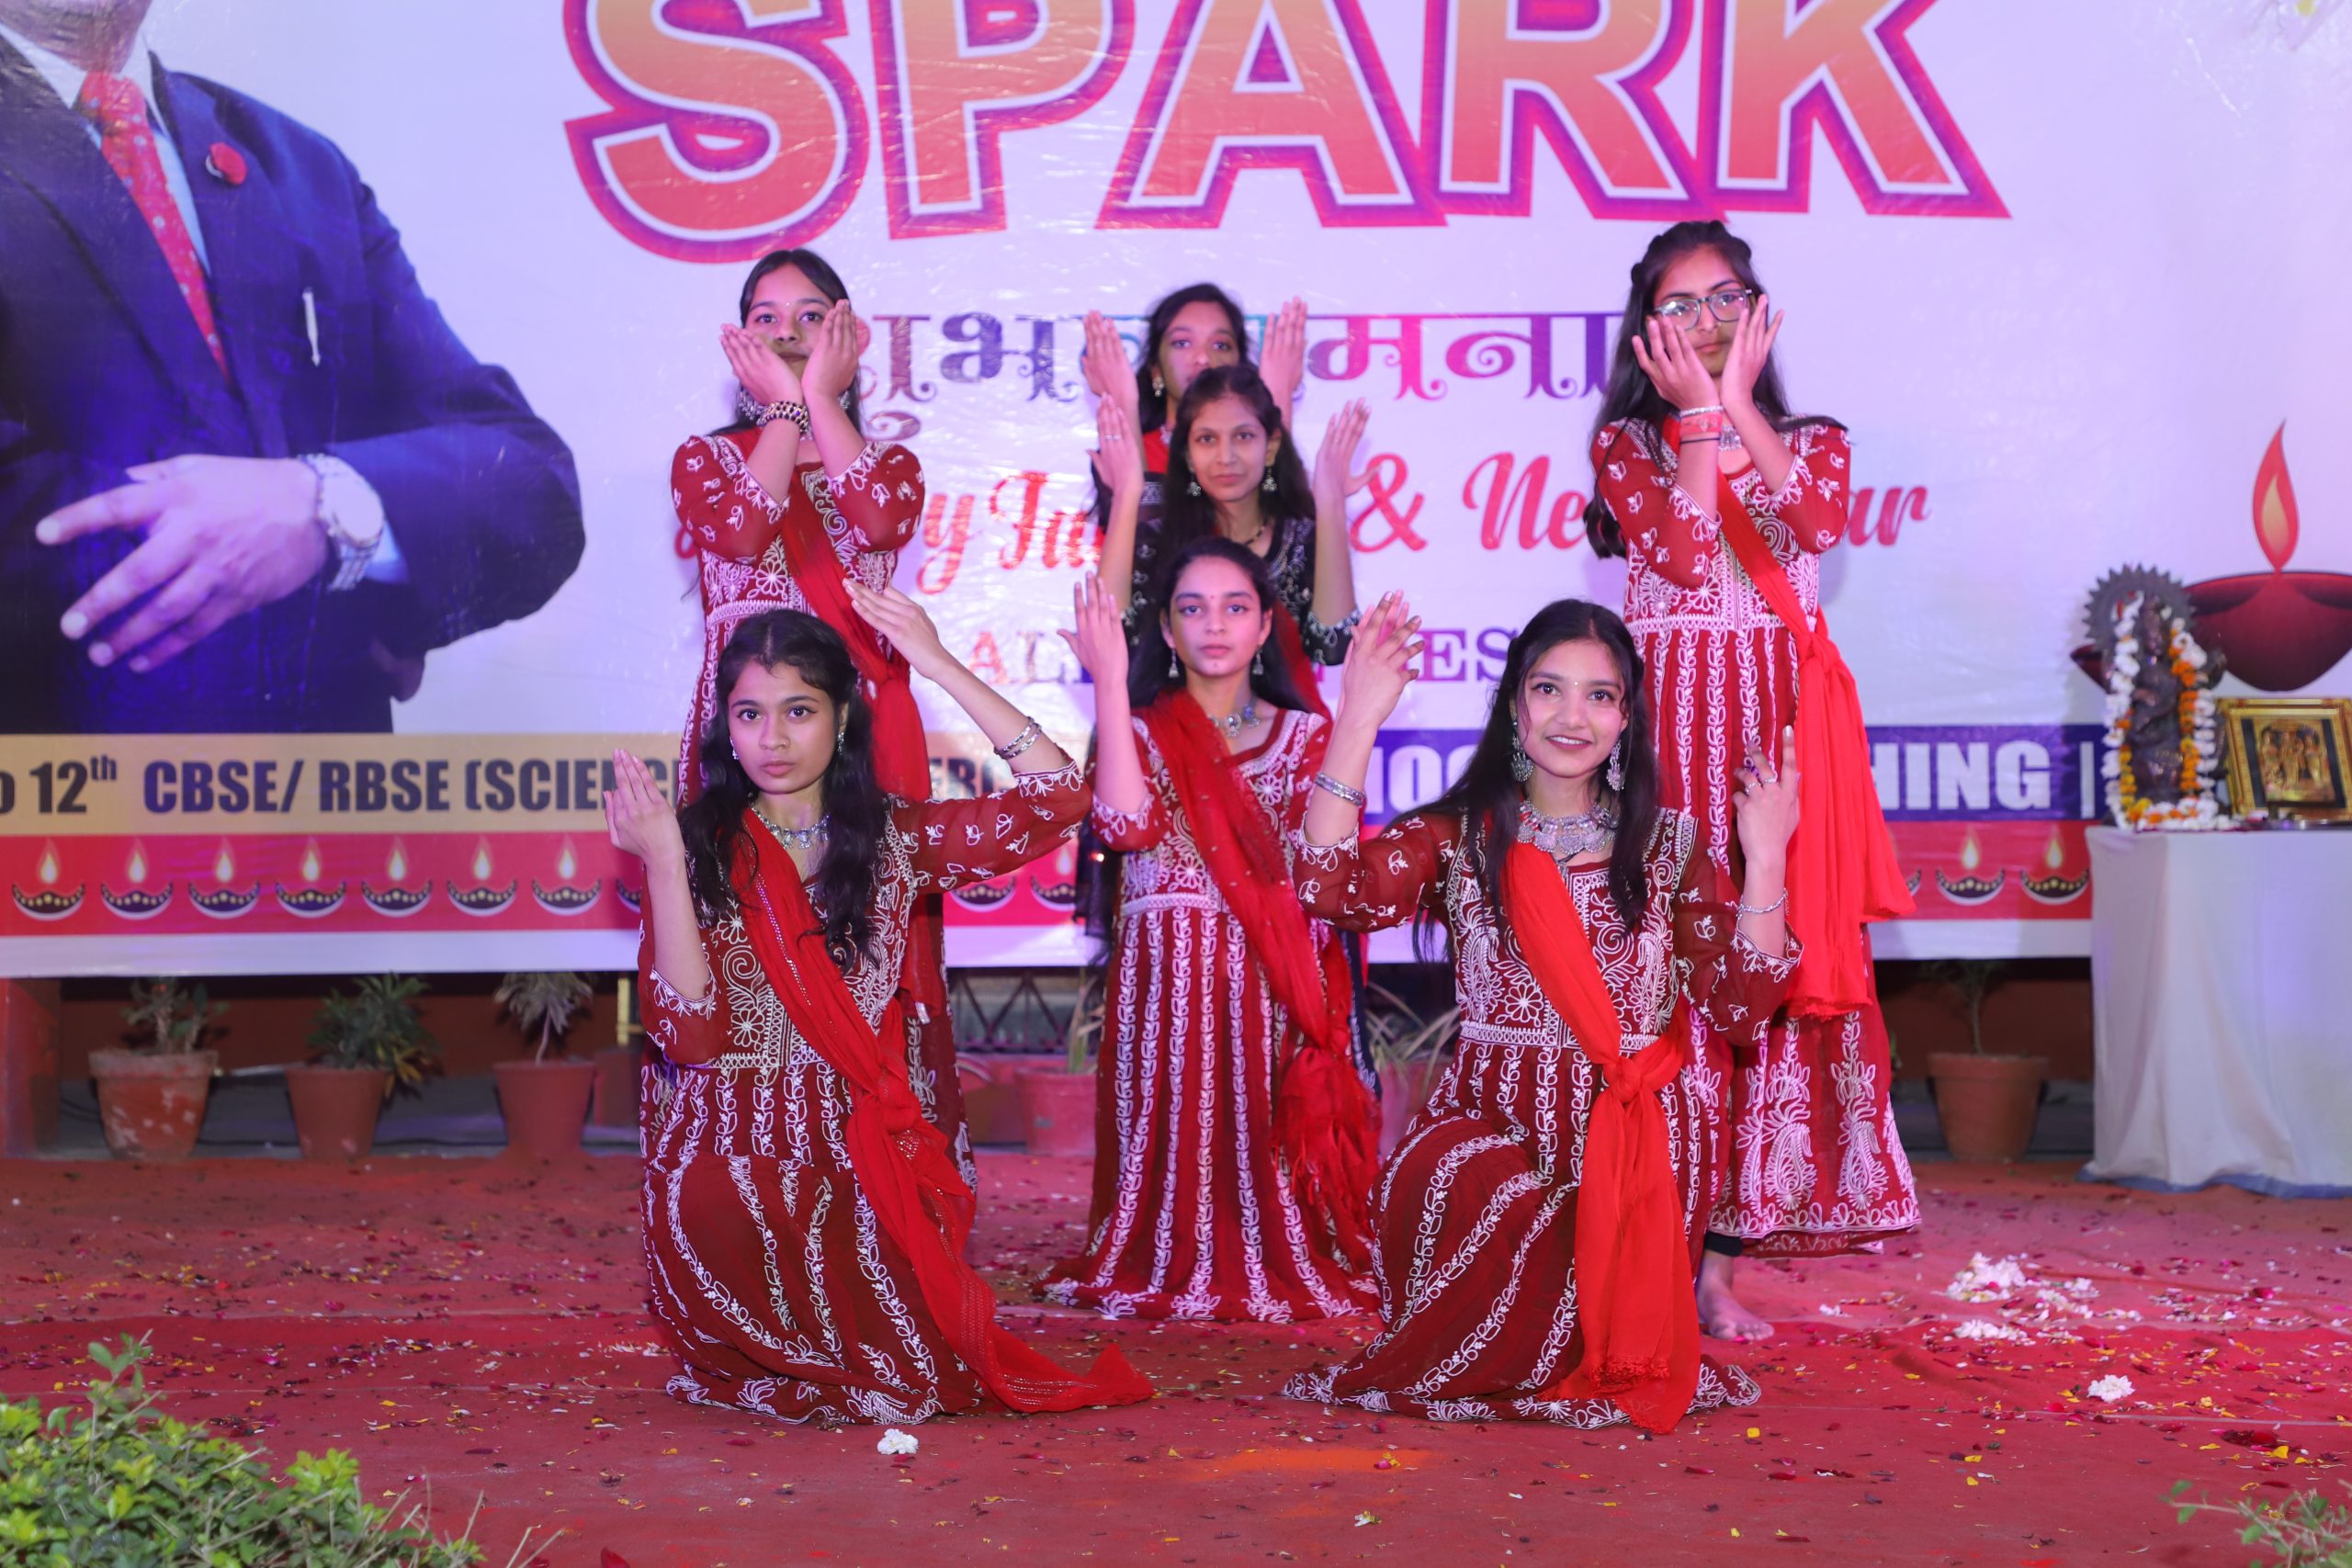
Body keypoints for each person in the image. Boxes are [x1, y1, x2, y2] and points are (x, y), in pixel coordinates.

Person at [605, 597, 1150, 1426]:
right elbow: (690, 1036)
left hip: (851, 1144)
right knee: (729, 1193)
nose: (773, 738)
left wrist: (938, 664)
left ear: (842, 715)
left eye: (799, 711)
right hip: (726, 1150)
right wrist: (664, 866)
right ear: (725, 725)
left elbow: (1060, 802)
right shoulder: (691, 843)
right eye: (750, 714)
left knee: (904, 1357)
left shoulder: (895, 840)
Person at [1281, 595, 1801, 1432]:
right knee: (1445, 1173)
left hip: (1632, 1130)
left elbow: (1743, 1008)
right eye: (1549, 689)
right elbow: (1328, 888)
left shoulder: (1668, 846)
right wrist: (1358, 720)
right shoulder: (1461, 835)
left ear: (1625, 718)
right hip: (1493, 1110)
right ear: (1515, 705)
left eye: (1600, 695)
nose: (1571, 716)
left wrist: (1766, 858)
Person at [0, 0, 581, 731]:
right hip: (62, 793)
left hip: (330, 798)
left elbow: (528, 479)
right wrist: (347, 591)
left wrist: (322, 507)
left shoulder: (302, 170)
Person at [1584, 220, 1917, 1341]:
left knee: (1769, 975)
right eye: (1679, 305)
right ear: (1646, 330)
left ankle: (1718, 1269)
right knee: (1671, 977)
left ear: (1756, 310)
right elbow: (1683, 555)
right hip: (1669, 746)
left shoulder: (1812, 439)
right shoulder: (1627, 446)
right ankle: (1649, 1241)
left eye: (1724, 297)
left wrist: (1735, 407)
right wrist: (1693, 420)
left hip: (1774, 739)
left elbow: (1815, 519)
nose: (1706, 319)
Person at [666, 248, 968, 1183]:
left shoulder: (887, 463)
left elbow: (877, 522)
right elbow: (744, 528)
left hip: (862, 738)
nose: (788, 333)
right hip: (744, 739)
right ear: (740, 339)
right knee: (738, 943)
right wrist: (786, 415)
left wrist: (819, 407)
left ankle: (887, 1173)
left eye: (811, 316)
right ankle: (749, 1172)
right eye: (767, 317)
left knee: (868, 945)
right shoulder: (705, 460)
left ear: (849, 335)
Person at [1043, 541, 1378, 1323]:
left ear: (1265, 627)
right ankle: (1162, 1251)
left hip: (1269, 990)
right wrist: (1109, 683)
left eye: (1235, 608)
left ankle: (1275, 1250)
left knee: (1268, 1162)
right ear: (1166, 628)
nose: (1215, 625)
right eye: (1192, 608)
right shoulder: (1141, 730)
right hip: (1166, 989)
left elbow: (1325, 860)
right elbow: (1124, 827)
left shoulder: (1306, 735)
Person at [1096, 366, 1366, 713]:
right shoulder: (1156, 523)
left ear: (1271, 448)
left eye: (1244, 437)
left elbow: (1332, 646)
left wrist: (1330, 500)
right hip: (1166, 732)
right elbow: (1107, 636)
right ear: (1187, 453)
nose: (1226, 457)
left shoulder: (1300, 536)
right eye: (1207, 439)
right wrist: (1125, 496)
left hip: (1283, 734)